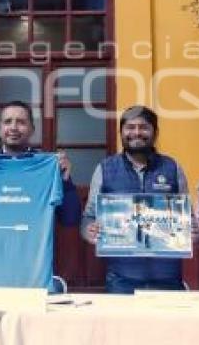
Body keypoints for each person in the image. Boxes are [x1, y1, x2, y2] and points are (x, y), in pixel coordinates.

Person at [0, 100, 81, 289]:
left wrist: (66, 181)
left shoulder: (46, 168)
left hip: (34, 281)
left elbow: (70, 219)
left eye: (21, 122)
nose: (13, 127)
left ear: (32, 129)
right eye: (8, 121)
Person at [81, 105, 191, 294]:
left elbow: (188, 219)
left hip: (168, 279)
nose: (137, 132)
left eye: (143, 127)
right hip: (121, 280)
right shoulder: (105, 169)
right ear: (121, 132)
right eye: (130, 127)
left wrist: (192, 230)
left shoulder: (172, 168)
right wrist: (89, 230)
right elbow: (89, 217)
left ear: (155, 133)